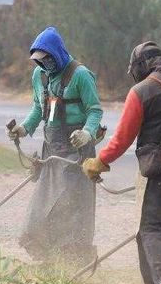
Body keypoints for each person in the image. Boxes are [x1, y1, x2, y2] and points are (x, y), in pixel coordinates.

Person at [82, 42, 161, 284]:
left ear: (141, 67)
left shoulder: (142, 91)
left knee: (150, 229)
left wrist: (100, 160)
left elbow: (123, 136)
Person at [9, 27, 103, 263]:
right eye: (39, 61)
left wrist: (87, 133)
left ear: (57, 53)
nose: (44, 65)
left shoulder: (81, 75)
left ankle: (74, 260)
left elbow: (95, 110)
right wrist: (24, 128)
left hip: (77, 152)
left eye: (48, 59)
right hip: (51, 152)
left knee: (70, 207)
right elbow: (38, 109)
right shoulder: (39, 76)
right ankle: (48, 258)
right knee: (41, 209)